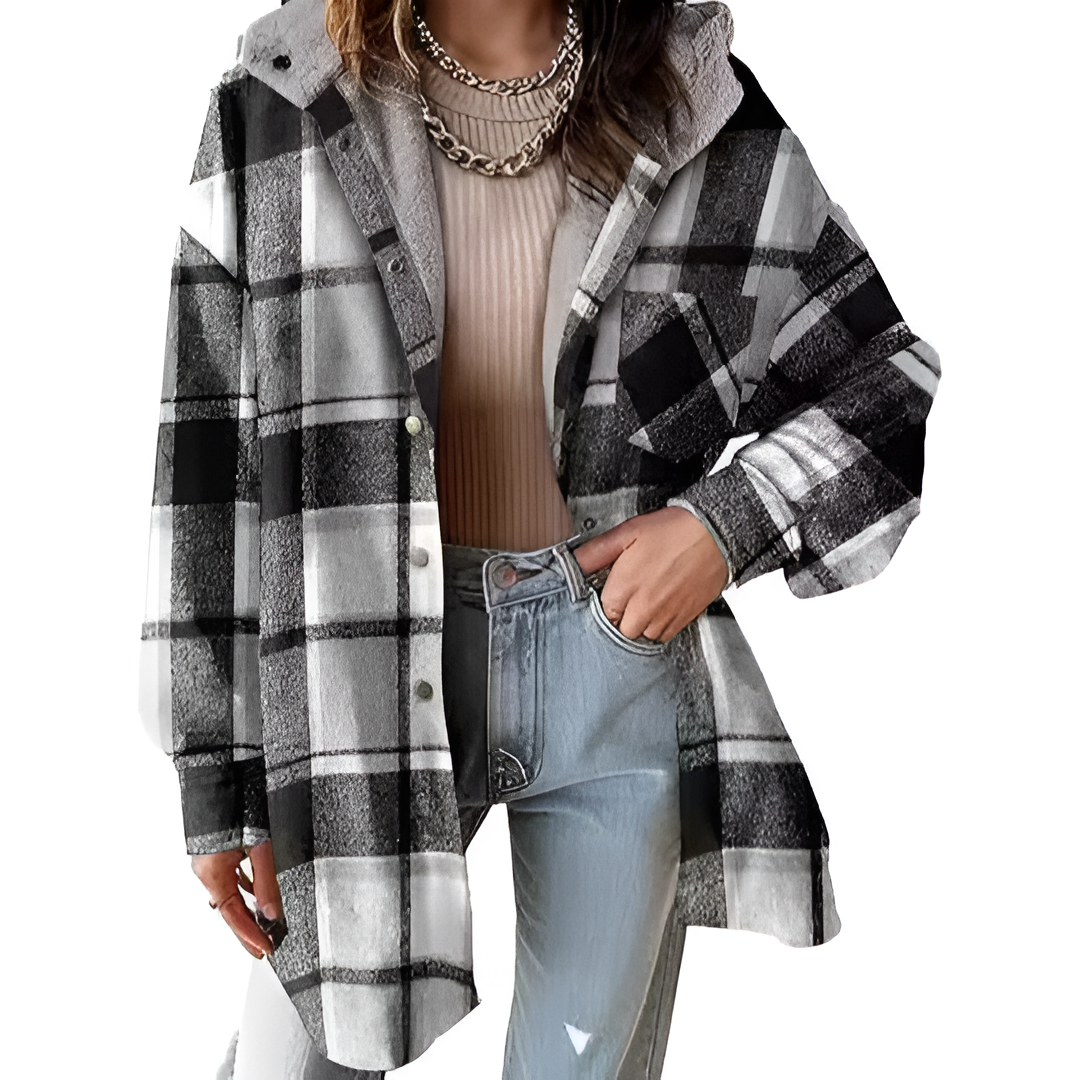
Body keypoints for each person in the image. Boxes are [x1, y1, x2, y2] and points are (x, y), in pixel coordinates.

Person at [139, 0, 939, 1076]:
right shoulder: (282, 100)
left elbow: (885, 379)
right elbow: (204, 448)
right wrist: (214, 766)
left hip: (612, 659)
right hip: (357, 671)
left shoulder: (692, 105)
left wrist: (722, 526)